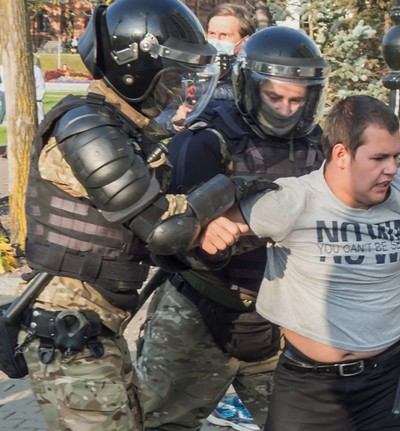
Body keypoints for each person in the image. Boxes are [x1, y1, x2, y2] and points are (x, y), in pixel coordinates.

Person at [14, 1, 270, 430]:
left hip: (99, 326)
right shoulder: (87, 129)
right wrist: (233, 186)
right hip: (69, 330)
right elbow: (166, 230)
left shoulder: (124, 128)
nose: (174, 93)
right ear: (135, 70)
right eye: (169, 79)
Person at [198, 94, 400, 430]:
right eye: (379, 158)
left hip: (391, 378)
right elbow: (218, 225)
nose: (392, 169)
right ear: (341, 154)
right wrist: (214, 230)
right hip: (310, 389)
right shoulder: (292, 200)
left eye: (396, 156)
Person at [135, 26, 330, 431]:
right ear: (249, 86)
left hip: (282, 315)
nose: (285, 109)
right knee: (158, 422)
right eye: (274, 97)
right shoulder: (207, 138)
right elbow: (168, 232)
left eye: (297, 100)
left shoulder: (320, 146)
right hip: (199, 309)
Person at [153, 3, 256, 136]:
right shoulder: (190, 69)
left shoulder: (253, 77)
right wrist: (174, 121)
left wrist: (203, 103)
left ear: (245, 40)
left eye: (224, 35)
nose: (216, 40)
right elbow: (158, 114)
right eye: (212, 33)